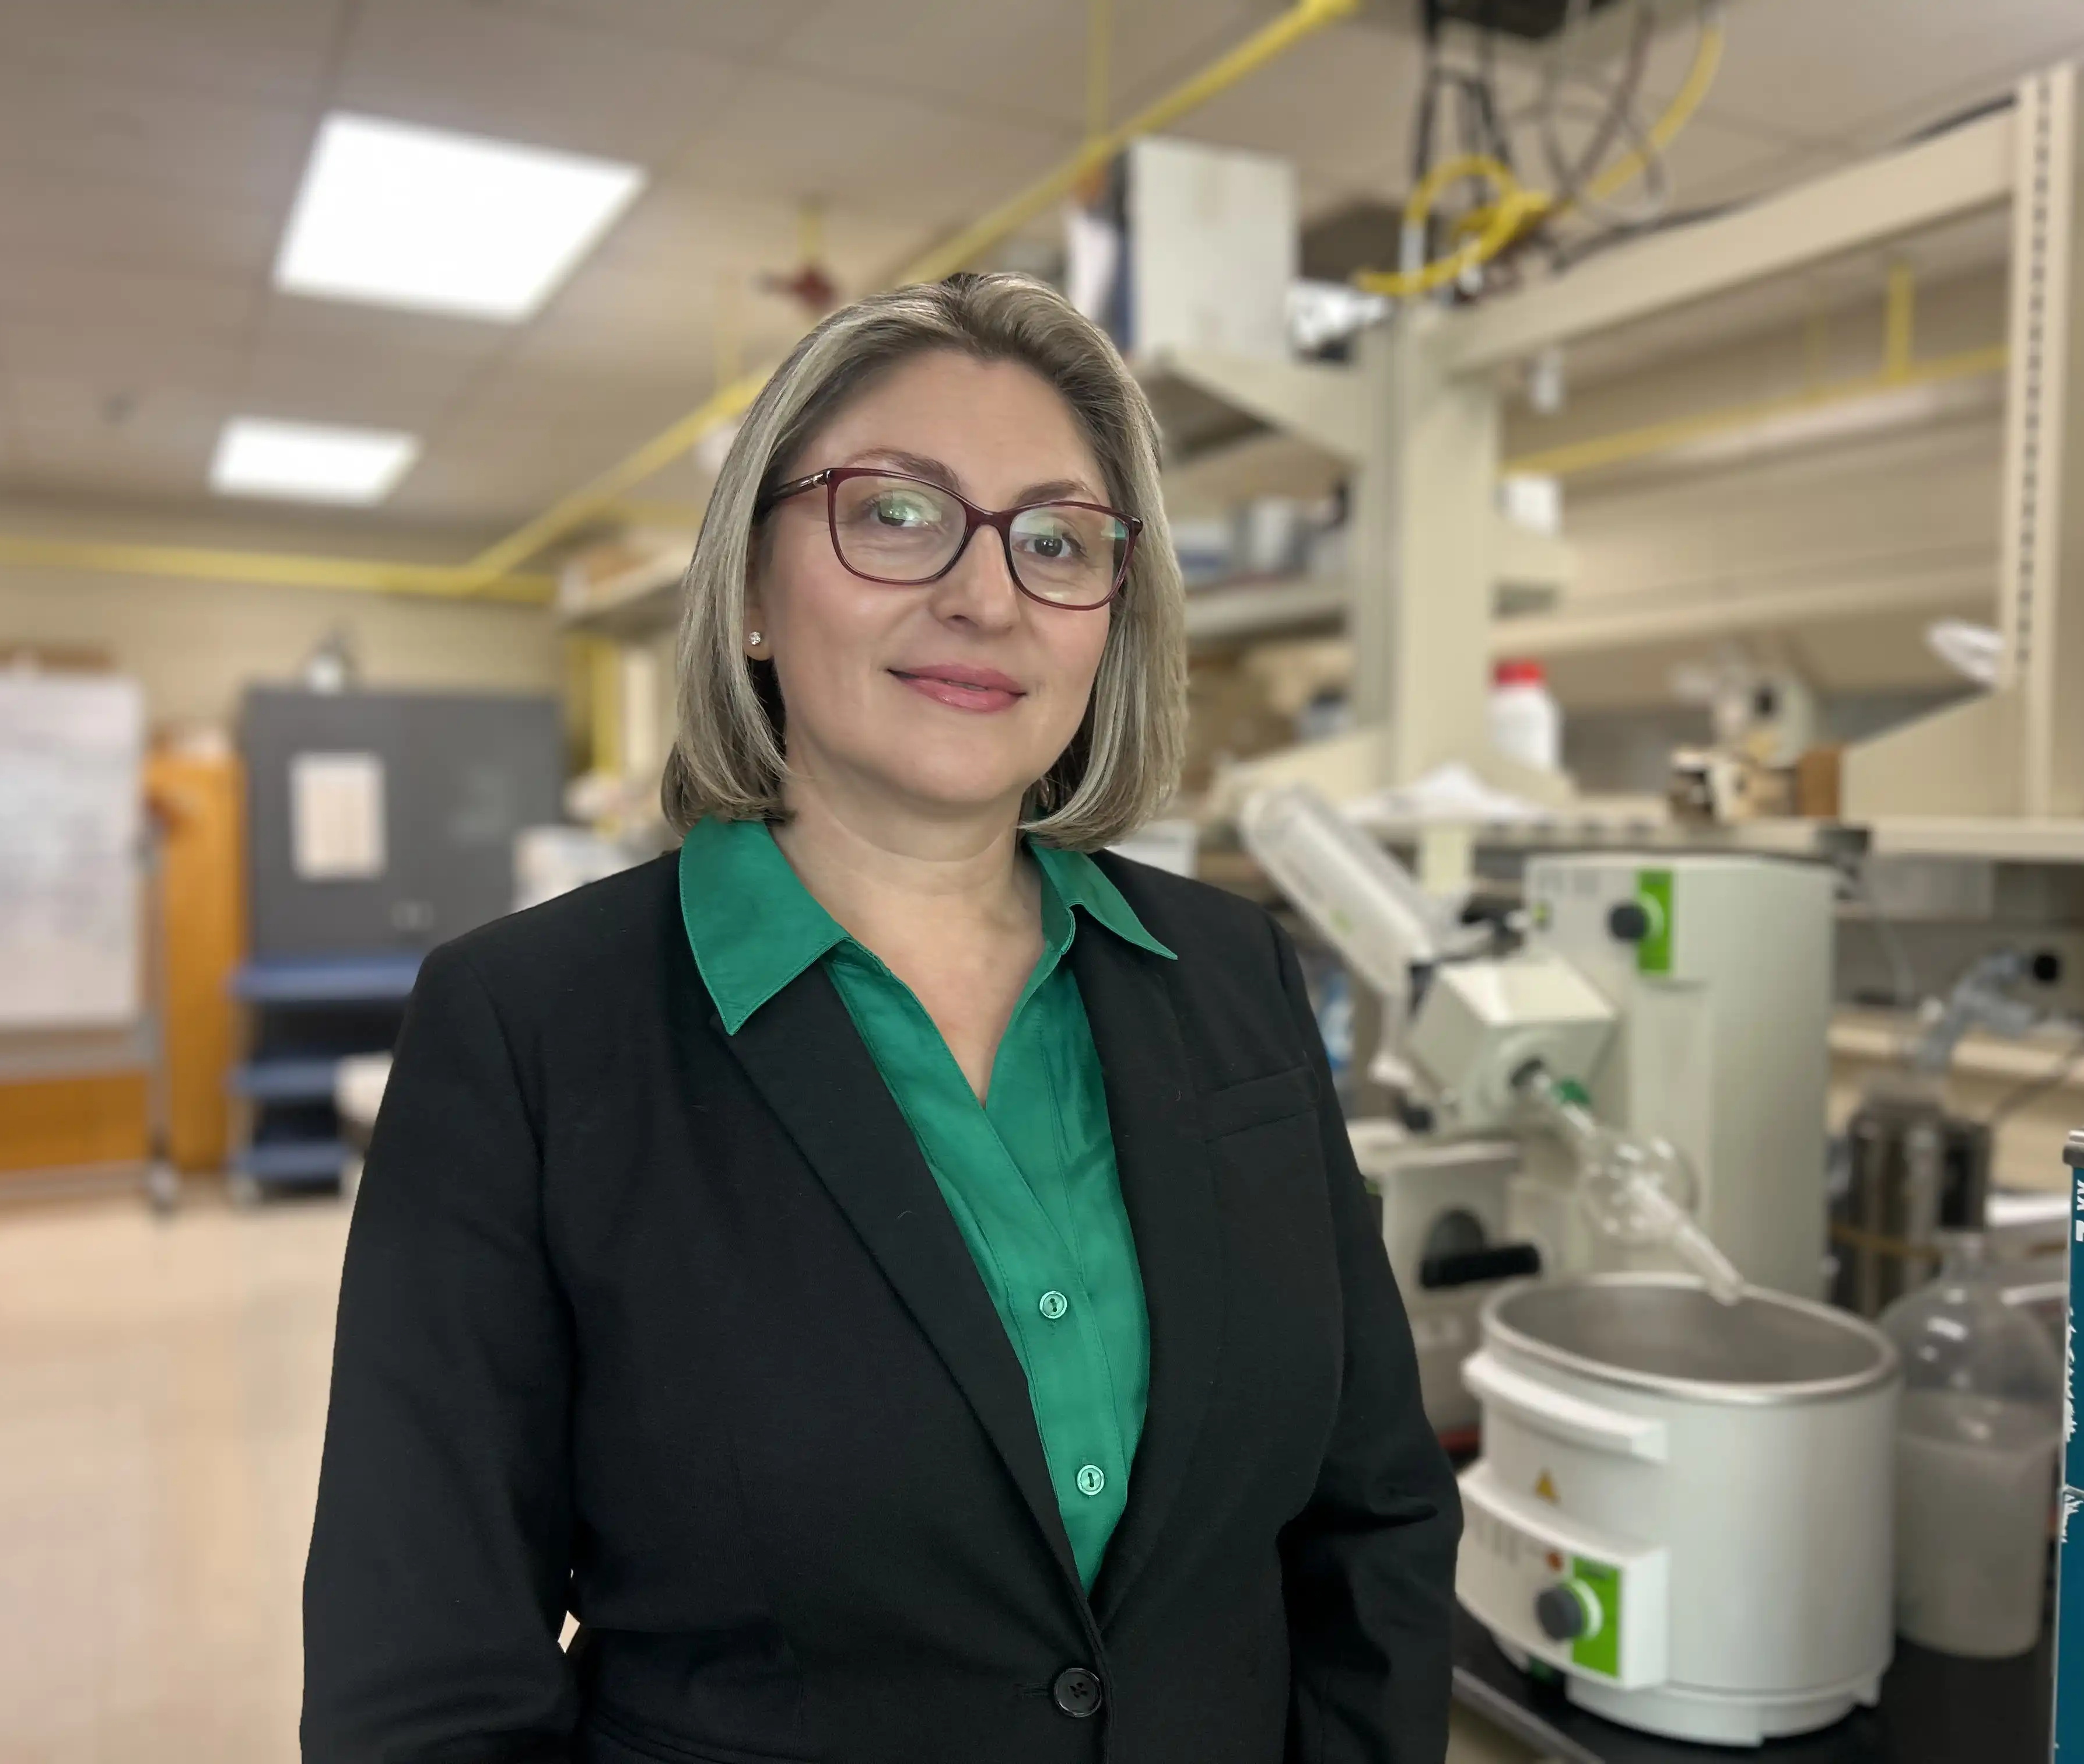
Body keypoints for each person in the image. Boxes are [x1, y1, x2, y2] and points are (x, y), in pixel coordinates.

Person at [302, 272, 1459, 1764]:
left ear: (1112, 616)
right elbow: (428, 1685)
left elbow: (1372, 1521)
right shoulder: (528, 1032)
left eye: (1057, 541)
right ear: (752, 595)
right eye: (896, 513)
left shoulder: (1229, 974)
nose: (987, 595)